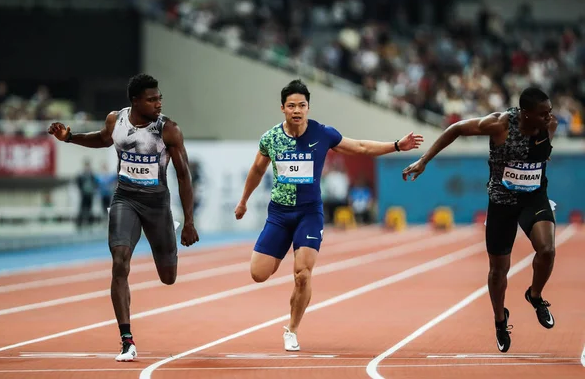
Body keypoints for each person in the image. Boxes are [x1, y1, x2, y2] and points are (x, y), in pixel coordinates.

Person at [234, 79, 423, 351]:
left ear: (308, 107)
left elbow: (359, 147)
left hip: (309, 213)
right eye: (291, 106)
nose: (297, 110)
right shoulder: (271, 138)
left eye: (301, 105)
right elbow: (256, 169)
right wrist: (243, 201)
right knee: (258, 274)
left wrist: (396, 145)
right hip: (279, 214)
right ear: (282, 109)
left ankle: (292, 329)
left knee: (302, 274)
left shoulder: (323, 134)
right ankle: (278, 255)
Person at [48, 73, 199, 361]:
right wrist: (69, 138)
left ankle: (170, 237)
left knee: (168, 277)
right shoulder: (115, 120)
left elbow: (183, 175)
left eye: (159, 98)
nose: (158, 103)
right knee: (119, 262)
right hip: (125, 199)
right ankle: (126, 339)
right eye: (151, 99)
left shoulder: (168, 130)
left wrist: (189, 221)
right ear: (135, 101)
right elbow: (103, 139)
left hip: (157, 204)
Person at [402, 87, 558, 353]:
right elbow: (456, 129)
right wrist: (424, 160)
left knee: (547, 250)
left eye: (549, 112)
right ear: (526, 113)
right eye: (543, 113)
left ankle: (535, 295)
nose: (550, 118)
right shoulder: (499, 124)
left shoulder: (548, 126)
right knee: (499, 270)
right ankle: (500, 320)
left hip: (533, 198)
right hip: (501, 203)